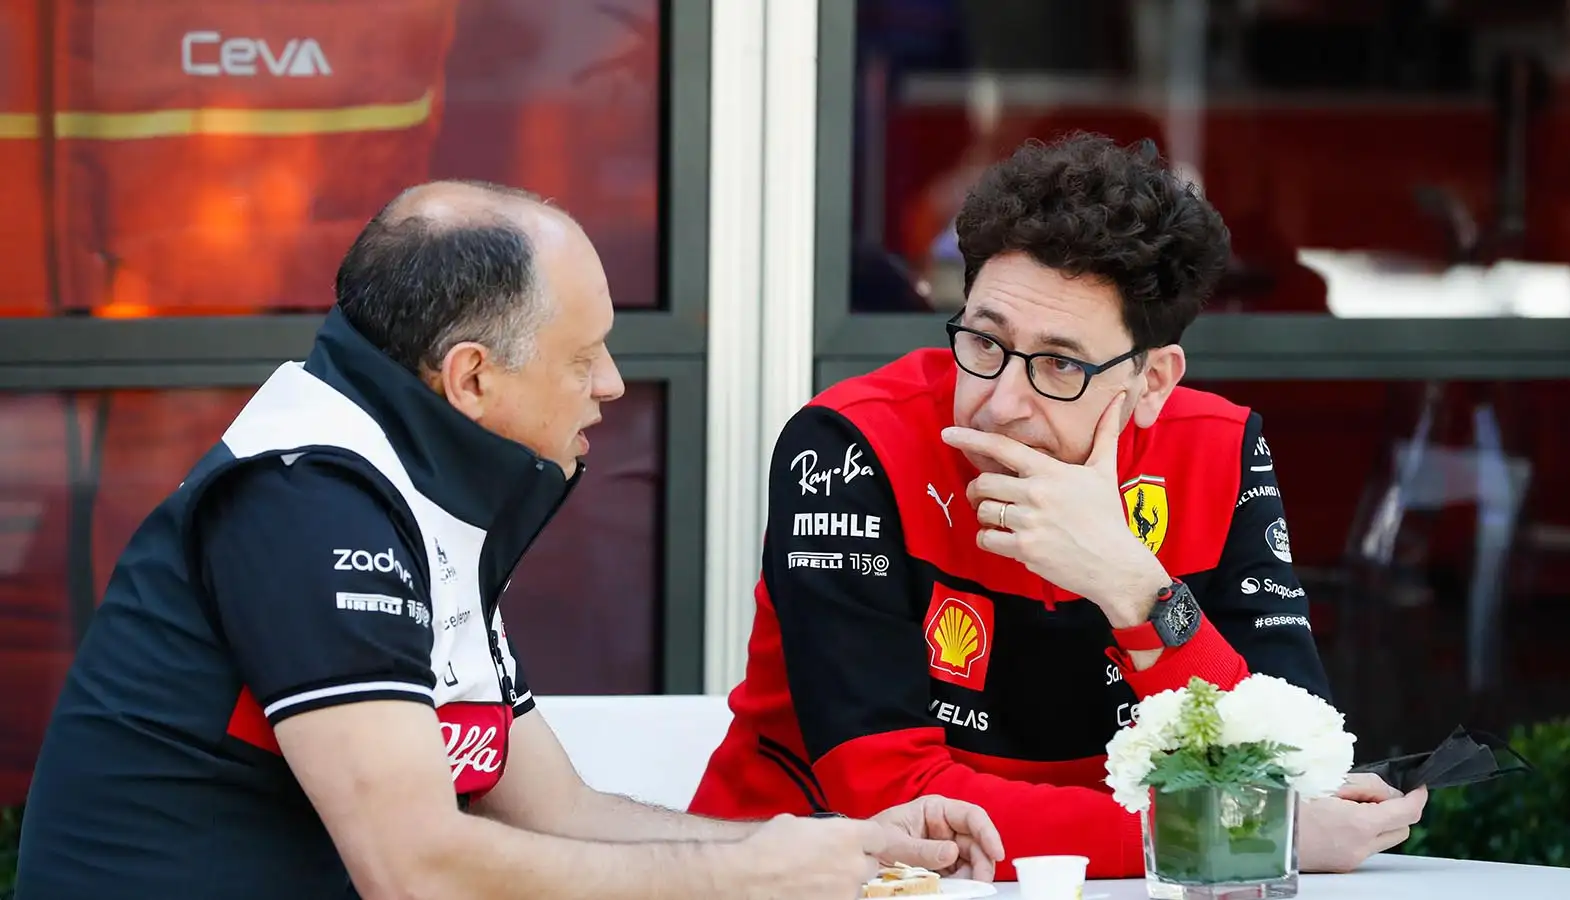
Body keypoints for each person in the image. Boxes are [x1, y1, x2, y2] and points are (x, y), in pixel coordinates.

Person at [14, 181, 1005, 900]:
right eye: (585, 357)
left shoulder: (407, 483)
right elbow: (415, 867)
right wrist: (747, 874)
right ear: (472, 379)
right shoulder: (312, 501)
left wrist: (836, 847)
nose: (615, 384)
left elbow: (553, 810)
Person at [689, 133, 1429, 879]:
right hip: (808, 884)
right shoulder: (849, 445)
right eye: (983, 342)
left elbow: (1290, 761)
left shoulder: (1220, 451)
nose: (1001, 402)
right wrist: (1231, 835)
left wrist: (1134, 588)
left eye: (1059, 365)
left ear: (1152, 383)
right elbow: (892, 801)